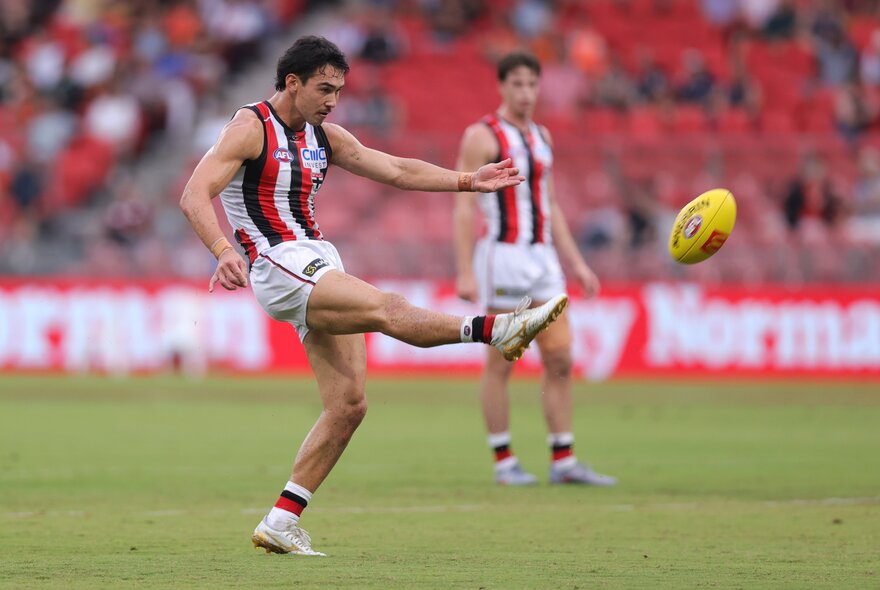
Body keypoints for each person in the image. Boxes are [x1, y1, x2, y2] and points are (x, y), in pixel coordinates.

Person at [178, 36, 568, 557]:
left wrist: (469, 180)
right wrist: (223, 249)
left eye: (338, 89)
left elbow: (398, 170)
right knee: (387, 308)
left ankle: (281, 519)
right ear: (291, 83)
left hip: (316, 259)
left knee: (349, 405)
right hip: (277, 262)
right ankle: (497, 329)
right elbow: (193, 194)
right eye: (323, 88)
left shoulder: (326, 135)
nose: (332, 99)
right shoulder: (250, 128)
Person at [453, 50, 617, 487]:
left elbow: (551, 204)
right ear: (502, 86)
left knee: (561, 355)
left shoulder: (542, 136)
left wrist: (577, 263)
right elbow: (464, 206)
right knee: (502, 362)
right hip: (502, 258)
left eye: (532, 84)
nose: (525, 92)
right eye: (518, 84)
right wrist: (464, 270)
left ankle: (563, 458)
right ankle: (504, 460)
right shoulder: (482, 135)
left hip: (542, 259)